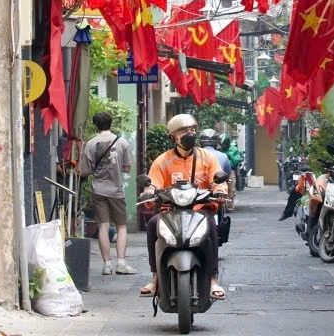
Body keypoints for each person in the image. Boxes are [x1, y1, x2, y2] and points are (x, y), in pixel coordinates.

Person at [140, 114, 227, 301]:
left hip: (200, 210)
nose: (190, 133)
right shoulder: (163, 160)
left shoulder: (207, 157)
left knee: (212, 227)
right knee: (153, 225)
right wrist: (149, 192)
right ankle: (155, 278)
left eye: (192, 129)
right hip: (170, 212)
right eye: (183, 131)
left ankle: (213, 280)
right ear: (173, 137)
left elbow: (217, 180)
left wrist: (220, 190)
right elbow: (153, 183)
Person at [80, 111, 135, 275]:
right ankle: (121, 263)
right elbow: (127, 167)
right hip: (116, 190)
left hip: (98, 190)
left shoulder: (90, 144)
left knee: (102, 226)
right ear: (110, 123)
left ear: (96, 125)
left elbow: (85, 171)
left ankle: (106, 265)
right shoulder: (122, 142)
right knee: (121, 227)